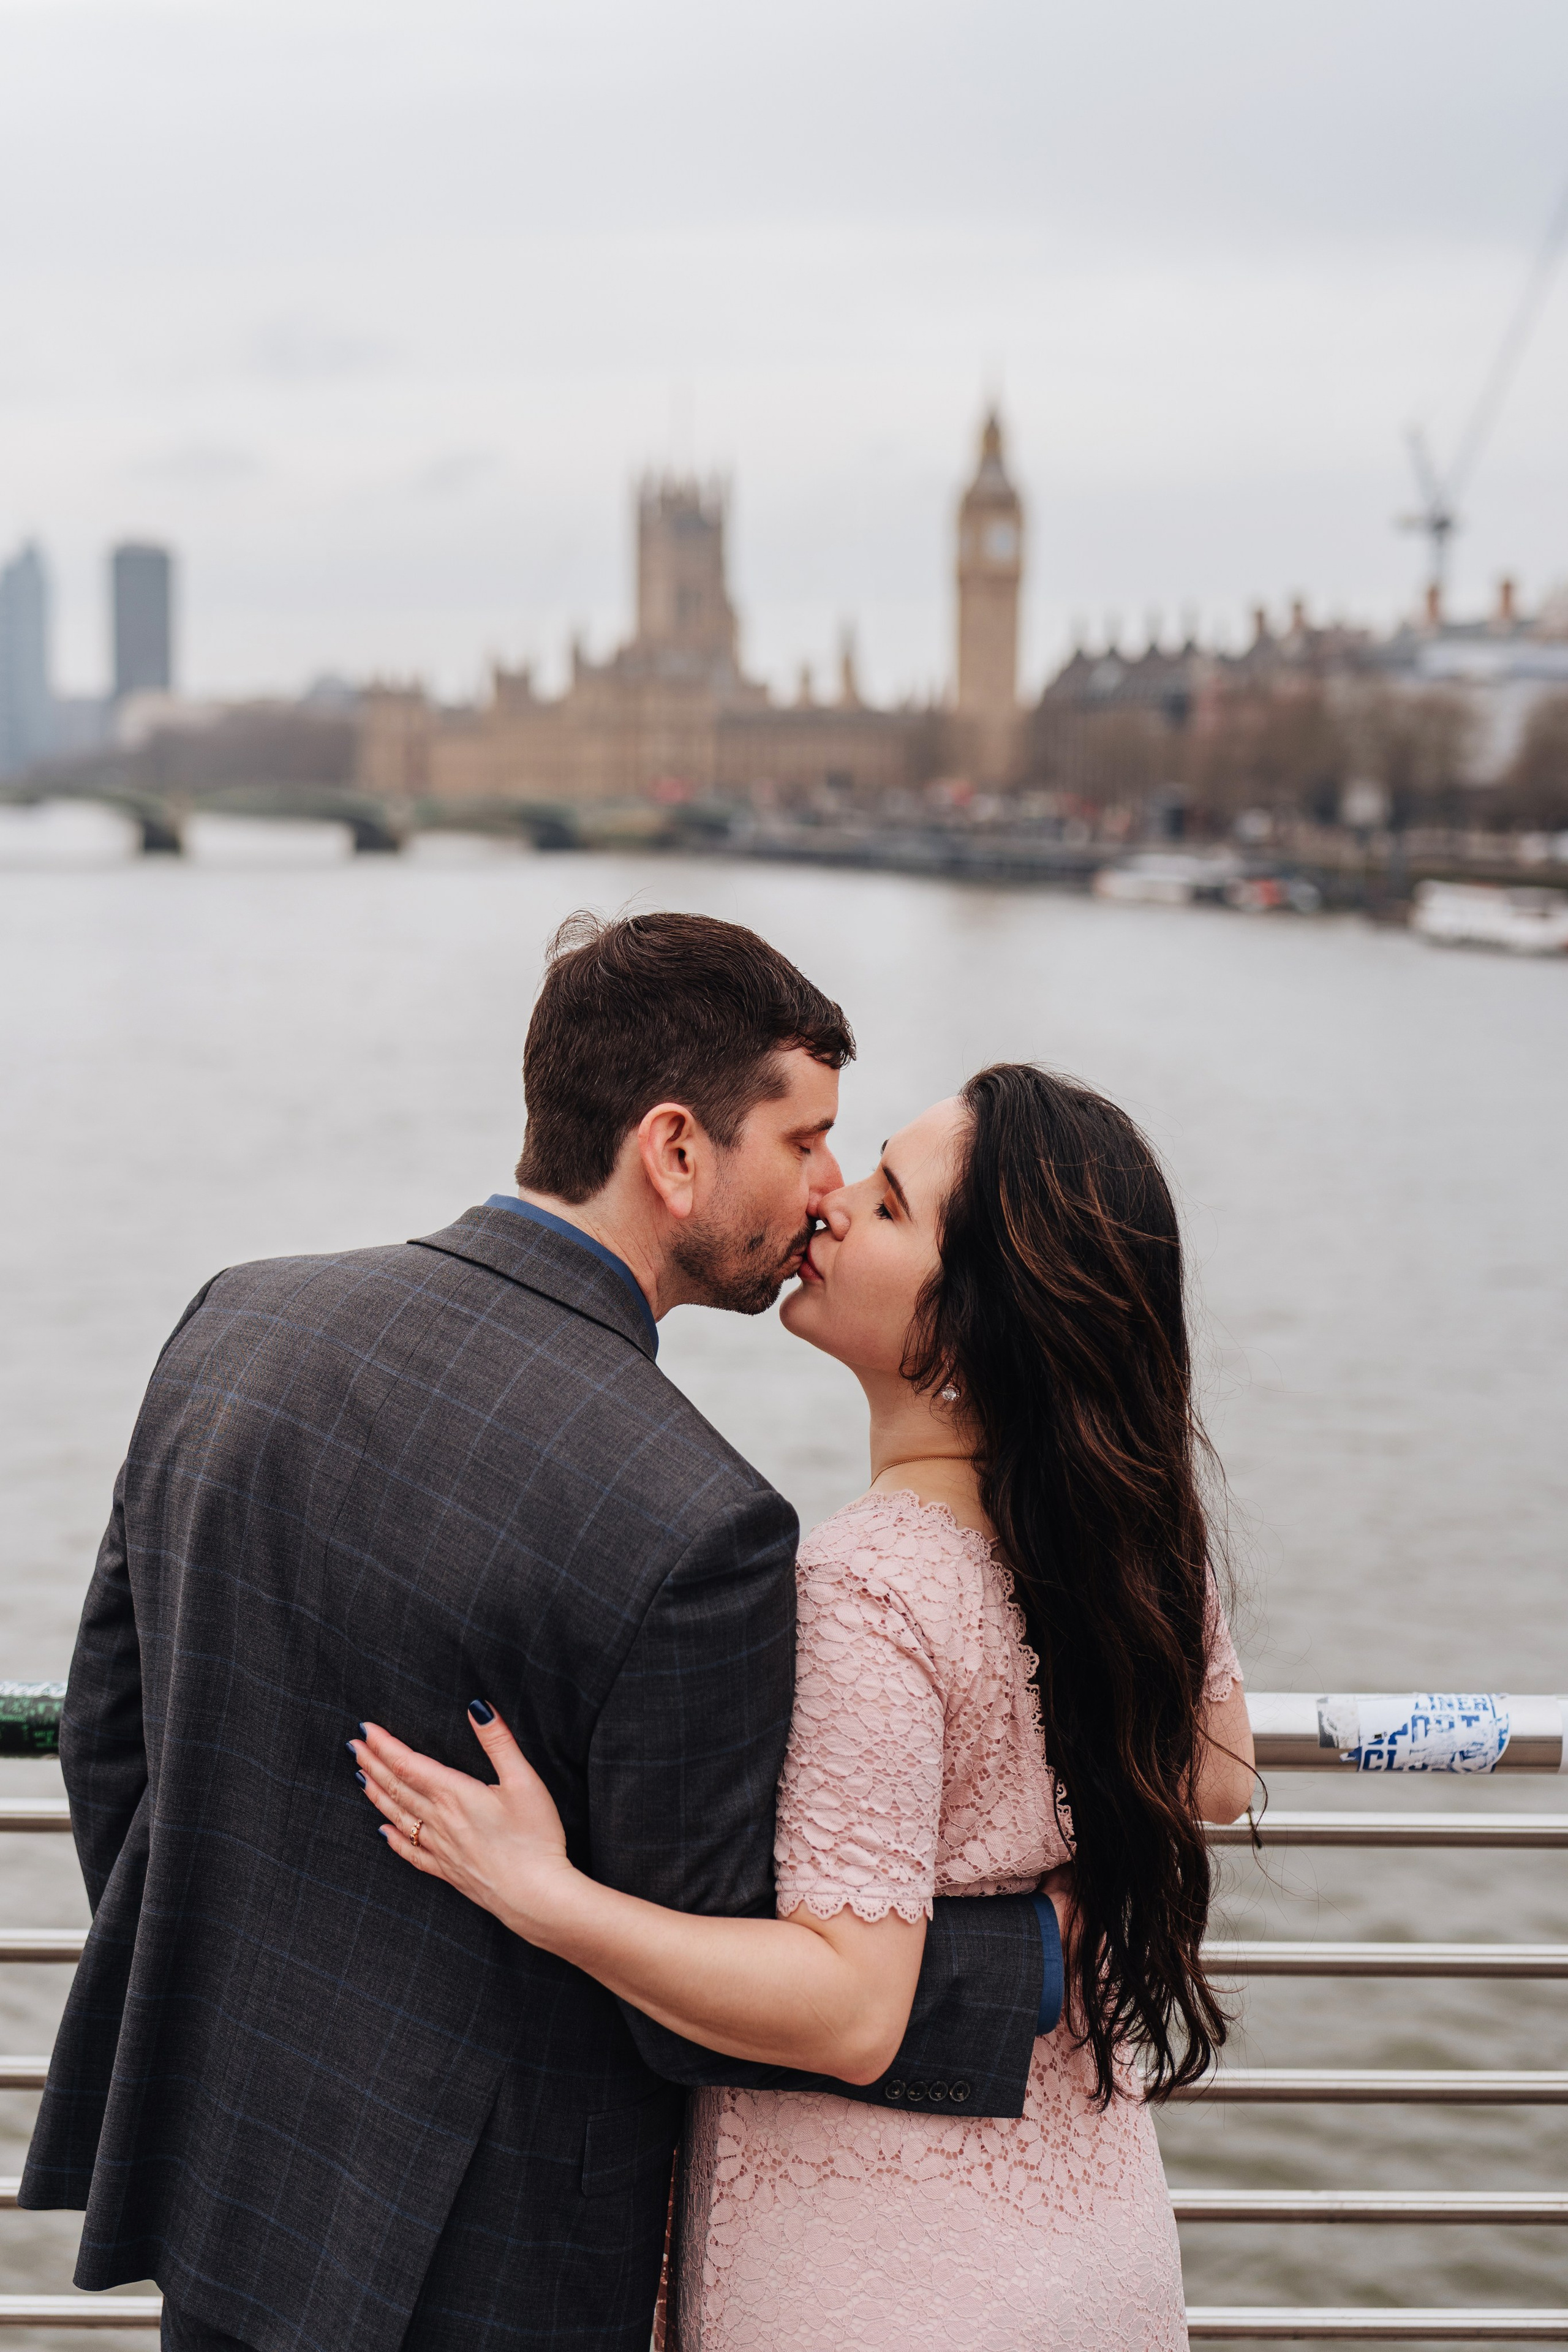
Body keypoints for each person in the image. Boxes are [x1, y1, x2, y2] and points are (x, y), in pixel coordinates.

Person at [21, 913, 1059, 2352]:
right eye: (805, 1139)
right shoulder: (699, 1522)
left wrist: (229, 1991)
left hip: (224, 2183)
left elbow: (108, 1734)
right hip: (489, 2264)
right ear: (675, 1150)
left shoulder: (237, 1323)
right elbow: (692, 1997)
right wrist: (1038, 1959)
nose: (825, 1188)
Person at [355, 1061, 1256, 2351]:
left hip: (886, 2276)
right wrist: (1053, 1883)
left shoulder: (870, 1586)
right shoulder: (1133, 1534)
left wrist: (543, 1894)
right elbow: (1217, 1771)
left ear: (969, 1323)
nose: (831, 1202)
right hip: (1091, 2239)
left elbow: (849, 2008)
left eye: (887, 1204)